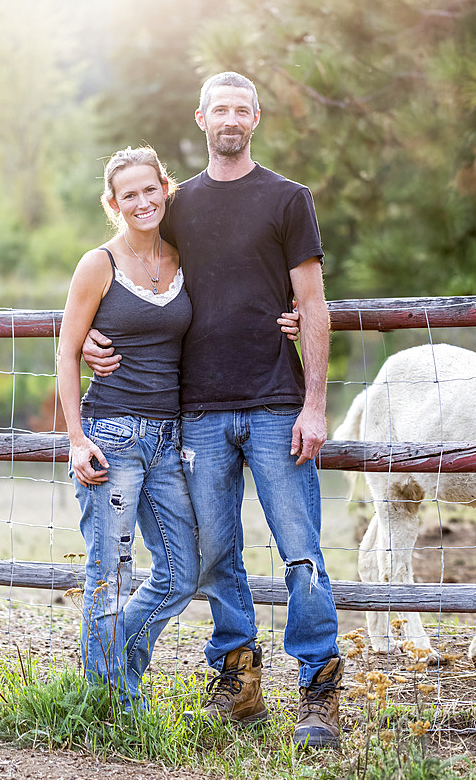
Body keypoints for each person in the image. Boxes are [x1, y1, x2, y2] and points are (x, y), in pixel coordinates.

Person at [83, 72, 342, 748]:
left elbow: (311, 305)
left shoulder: (290, 200)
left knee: (301, 554)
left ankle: (318, 690)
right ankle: (239, 681)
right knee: (218, 555)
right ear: (201, 118)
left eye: (242, 108)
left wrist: (314, 405)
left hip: (277, 406)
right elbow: (129, 271)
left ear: (256, 118)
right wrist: (86, 335)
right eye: (220, 108)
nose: (231, 117)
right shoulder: (179, 206)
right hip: (197, 411)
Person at [56, 146, 200, 712]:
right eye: (128, 195)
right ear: (112, 204)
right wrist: (75, 439)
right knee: (108, 573)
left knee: (182, 570)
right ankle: (108, 701)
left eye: (150, 190)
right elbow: (67, 351)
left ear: (166, 189)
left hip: (169, 440)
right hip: (112, 436)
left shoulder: (185, 257)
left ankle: (116, 672)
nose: (142, 202)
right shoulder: (99, 264)